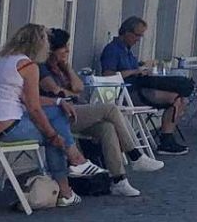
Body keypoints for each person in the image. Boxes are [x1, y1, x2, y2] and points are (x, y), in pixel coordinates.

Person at [0, 23, 103, 208]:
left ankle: (73, 172)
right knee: (54, 135)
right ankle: (72, 173)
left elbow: (26, 98)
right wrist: (53, 135)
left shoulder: (5, 61)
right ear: (39, 44)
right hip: (9, 129)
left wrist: (59, 102)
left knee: (56, 116)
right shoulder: (28, 66)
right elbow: (34, 108)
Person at [39, 28, 163, 195]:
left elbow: (79, 87)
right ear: (52, 50)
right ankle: (135, 156)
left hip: (74, 112)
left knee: (107, 128)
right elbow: (56, 91)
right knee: (110, 109)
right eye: (64, 47)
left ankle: (119, 180)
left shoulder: (61, 68)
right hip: (58, 116)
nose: (68, 50)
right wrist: (68, 92)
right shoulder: (42, 68)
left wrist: (67, 67)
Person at [98, 17, 193, 155]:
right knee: (176, 99)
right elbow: (108, 75)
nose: (138, 39)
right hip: (125, 94)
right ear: (126, 32)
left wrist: (143, 67)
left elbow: (133, 70)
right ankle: (166, 141)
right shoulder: (112, 50)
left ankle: (167, 138)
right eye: (137, 35)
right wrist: (135, 71)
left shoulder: (127, 50)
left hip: (137, 89)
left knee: (181, 99)